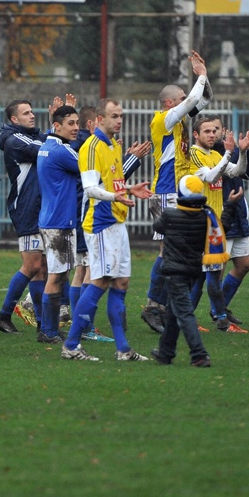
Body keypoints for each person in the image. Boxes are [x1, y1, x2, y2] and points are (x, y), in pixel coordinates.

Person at [61, 98, 153, 362]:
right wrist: (116, 197)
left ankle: (123, 349)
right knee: (99, 281)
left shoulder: (113, 145)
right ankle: (71, 345)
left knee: (121, 282)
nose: (119, 120)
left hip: (117, 221)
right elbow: (90, 188)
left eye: (120, 115)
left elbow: (111, 182)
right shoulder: (92, 146)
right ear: (99, 120)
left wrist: (127, 189)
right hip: (100, 223)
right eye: (113, 116)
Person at [142, 52, 212, 334]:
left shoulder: (179, 119)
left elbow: (203, 99)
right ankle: (152, 307)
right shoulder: (163, 120)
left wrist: (204, 76)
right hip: (165, 191)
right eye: (181, 97)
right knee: (166, 252)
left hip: (178, 192)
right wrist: (200, 75)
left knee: (177, 252)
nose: (186, 99)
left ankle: (164, 307)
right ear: (170, 102)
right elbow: (195, 99)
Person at [149, 175, 234, 367]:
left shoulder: (170, 216)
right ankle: (166, 352)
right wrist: (230, 206)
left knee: (184, 313)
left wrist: (157, 208)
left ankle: (199, 354)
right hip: (192, 271)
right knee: (173, 311)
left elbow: (157, 226)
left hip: (173, 272)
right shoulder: (206, 217)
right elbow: (224, 227)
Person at [188, 115, 249, 333]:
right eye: (206, 131)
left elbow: (237, 171)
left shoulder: (214, 154)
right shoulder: (194, 155)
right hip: (201, 222)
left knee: (202, 274)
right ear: (196, 134)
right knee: (212, 273)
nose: (212, 134)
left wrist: (241, 152)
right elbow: (210, 177)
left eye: (213, 131)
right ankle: (222, 320)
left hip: (215, 222)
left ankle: (184, 317)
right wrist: (227, 152)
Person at [0, 98, 50, 334]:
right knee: (32, 264)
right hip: (26, 208)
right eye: (26, 113)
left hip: (40, 207)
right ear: (14, 119)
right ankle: (3, 315)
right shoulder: (15, 140)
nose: (32, 115)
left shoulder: (32, 136)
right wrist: (56, 132)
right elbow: (46, 150)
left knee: (41, 267)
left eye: (32, 111)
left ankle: (43, 324)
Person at [36, 104, 81, 343]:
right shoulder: (61, 151)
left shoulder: (48, 146)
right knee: (56, 276)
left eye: (77, 123)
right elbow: (90, 167)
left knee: (59, 274)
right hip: (59, 222)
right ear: (57, 126)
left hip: (52, 218)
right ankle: (48, 331)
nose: (76, 128)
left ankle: (48, 328)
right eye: (71, 124)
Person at [211, 118, 249, 325]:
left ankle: (219, 307)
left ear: (224, 130)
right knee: (216, 268)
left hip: (237, 213)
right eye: (209, 130)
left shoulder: (229, 150)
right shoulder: (208, 154)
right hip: (221, 214)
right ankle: (217, 313)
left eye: (218, 129)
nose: (214, 133)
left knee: (244, 263)